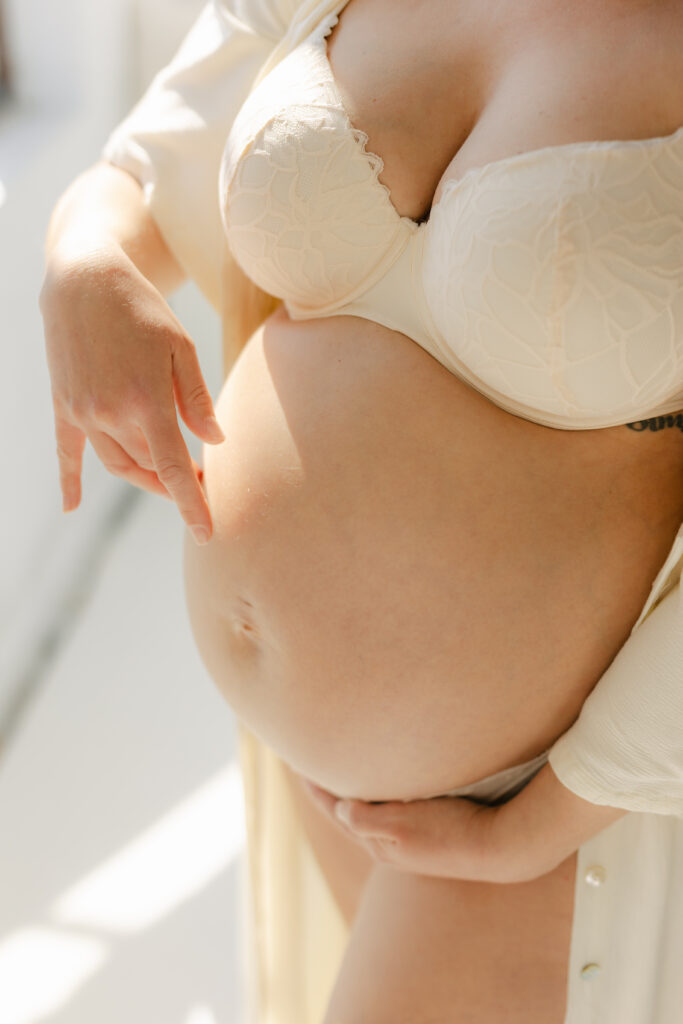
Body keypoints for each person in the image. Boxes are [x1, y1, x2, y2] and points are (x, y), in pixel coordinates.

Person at [40, 0, 683, 1021]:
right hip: (334, 770)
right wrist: (85, 255)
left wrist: (540, 821)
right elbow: (168, 143)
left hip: (549, 795)